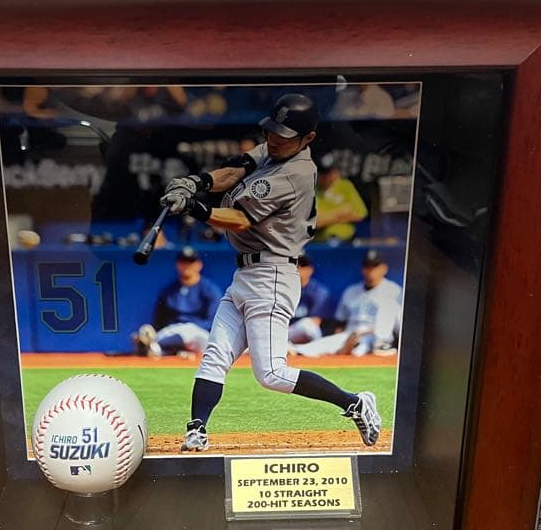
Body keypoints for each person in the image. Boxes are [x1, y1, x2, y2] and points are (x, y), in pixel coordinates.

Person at [159, 93, 382, 452]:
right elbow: (235, 171)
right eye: (271, 131)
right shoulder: (275, 148)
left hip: (273, 276)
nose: (274, 139)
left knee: (272, 374)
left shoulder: (296, 174)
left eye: (284, 135)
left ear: (307, 138)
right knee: (215, 355)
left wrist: (195, 209)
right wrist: (197, 182)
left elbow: (240, 220)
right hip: (246, 275)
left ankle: (355, 403)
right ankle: (197, 429)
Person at [292, 250, 402, 358]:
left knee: (389, 305)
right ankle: (293, 349)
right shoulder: (351, 291)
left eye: (375, 266)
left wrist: (366, 333)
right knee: (319, 345)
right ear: (363, 269)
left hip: (374, 335)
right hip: (351, 334)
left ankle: (382, 344)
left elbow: (399, 321)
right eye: (367, 266)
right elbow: (340, 322)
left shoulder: (394, 290)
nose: (371, 270)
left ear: (384, 268)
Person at [134, 247, 222, 357]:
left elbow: (213, 322)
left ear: (198, 265)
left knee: (188, 331)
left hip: (199, 334)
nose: (186, 266)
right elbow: (159, 320)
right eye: (183, 262)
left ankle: (154, 346)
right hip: (173, 331)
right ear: (177, 265)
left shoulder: (210, 290)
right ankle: (156, 347)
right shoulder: (169, 291)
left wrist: (186, 326)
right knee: (159, 333)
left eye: (190, 262)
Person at [313, 152, 368, 242]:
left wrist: (326, 218)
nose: (326, 177)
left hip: (346, 241)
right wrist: (341, 213)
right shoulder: (311, 190)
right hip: (321, 243)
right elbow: (315, 222)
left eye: (328, 173)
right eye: (322, 173)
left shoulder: (345, 185)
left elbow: (360, 214)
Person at [288, 254, 334, 344]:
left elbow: (315, 322)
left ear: (310, 269)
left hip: (309, 335)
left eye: (301, 266)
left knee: (306, 325)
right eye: (295, 266)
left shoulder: (318, 291)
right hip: (288, 332)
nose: (297, 269)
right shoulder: (285, 290)